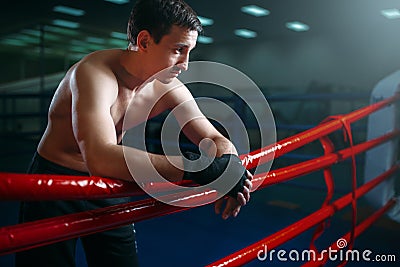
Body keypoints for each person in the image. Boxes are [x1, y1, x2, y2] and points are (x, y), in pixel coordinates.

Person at [15, 0, 253, 266]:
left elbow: (214, 138)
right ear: (144, 41)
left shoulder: (168, 87)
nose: (185, 65)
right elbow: (100, 157)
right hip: (55, 181)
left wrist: (231, 172)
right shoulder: (95, 74)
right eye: (178, 50)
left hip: (108, 184)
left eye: (190, 52)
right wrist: (192, 167)